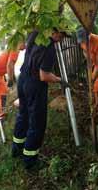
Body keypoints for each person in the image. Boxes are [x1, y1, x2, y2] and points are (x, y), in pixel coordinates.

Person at [12, 29, 69, 170]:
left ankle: (16, 149)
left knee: (23, 114)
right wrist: (59, 80)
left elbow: (22, 46)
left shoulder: (35, 34)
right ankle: (30, 161)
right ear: (54, 31)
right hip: (34, 85)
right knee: (37, 122)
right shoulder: (49, 48)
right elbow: (44, 76)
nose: (61, 39)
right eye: (61, 36)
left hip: (22, 79)